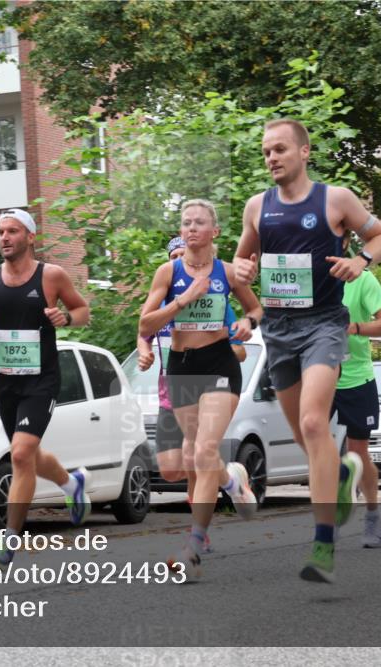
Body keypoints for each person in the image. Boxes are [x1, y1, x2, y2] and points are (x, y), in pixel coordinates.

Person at [233, 118, 381, 583]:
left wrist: (361, 260)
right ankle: (340, 474)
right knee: (308, 441)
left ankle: (323, 545)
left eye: (280, 149)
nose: (272, 157)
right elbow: (242, 260)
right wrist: (242, 272)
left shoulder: (335, 199)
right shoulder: (257, 206)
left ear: (304, 152)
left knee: (311, 422)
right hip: (279, 330)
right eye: (266, 151)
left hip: (324, 324)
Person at [0, 208, 92, 569]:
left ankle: (8, 541)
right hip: (5, 382)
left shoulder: (51, 276)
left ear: (30, 237)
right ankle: (72, 484)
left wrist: (66, 318)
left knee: (19, 454)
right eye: (0, 232)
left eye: (12, 231)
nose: (4, 237)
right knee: (27, 454)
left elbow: (82, 311)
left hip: (41, 381)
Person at [139, 199, 264, 578]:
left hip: (220, 364)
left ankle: (193, 546)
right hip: (181, 367)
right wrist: (183, 300)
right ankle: (231, 479)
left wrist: (246, 324)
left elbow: (256, 309)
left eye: (199, 222)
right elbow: (145, 324)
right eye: (186, 222)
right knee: (194, 456)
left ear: (215, 232)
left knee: (205, 449)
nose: (191, 228)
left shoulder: (227, 272)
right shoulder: (168, 271)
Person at [334, 240, 381, 548]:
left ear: (344, 241)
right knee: (316, 446)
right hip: (319, 375)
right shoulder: (308, 279)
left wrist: (354, 328)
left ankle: (372, 513)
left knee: (358, 452)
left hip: (356, 377)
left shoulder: (362, 279)